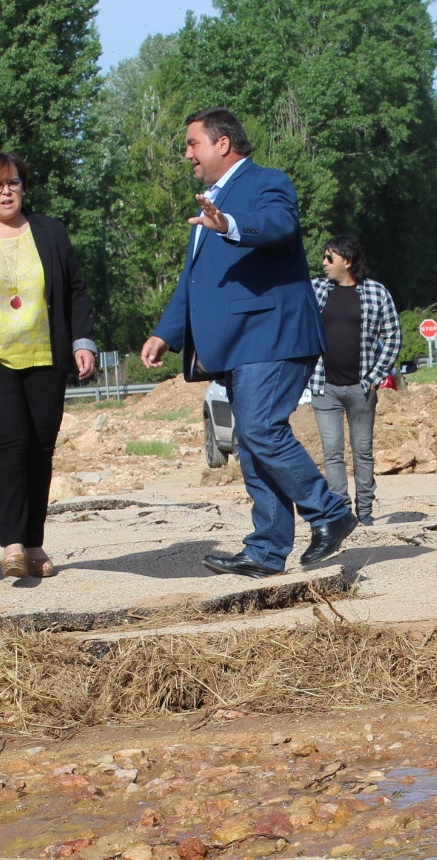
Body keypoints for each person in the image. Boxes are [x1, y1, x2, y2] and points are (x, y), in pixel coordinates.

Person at [139, 108, 356, 578]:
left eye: (193, 143)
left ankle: (330, 512)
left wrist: (231, 226)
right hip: (238, 343)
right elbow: (194, 282)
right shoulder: (210, 201)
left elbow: (279, 226)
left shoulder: (265, 182)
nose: (187, 153)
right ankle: (266, 549)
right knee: (250, 442)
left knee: (259, 430)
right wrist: (165, 333)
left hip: (271, 334)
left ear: (222, 144)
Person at [0, 152, 99, 579]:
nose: (6, 193)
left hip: (46, 356)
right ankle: (11, 544)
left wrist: (82, 341)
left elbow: (76, 290)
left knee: (40, 448)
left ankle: (33, 542)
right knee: (9, 443)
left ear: (24, 188)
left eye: (14, 184)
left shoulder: (50, 232)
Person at [307, 235, 400, 526]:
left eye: (329, 258)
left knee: (362, 450)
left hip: (361, 388)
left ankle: (366, 511)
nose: (323, 263)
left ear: (347, 261)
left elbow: (394, 336)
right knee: (332, 453)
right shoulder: (316, 289)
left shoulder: (376, 292)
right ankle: (340, 512)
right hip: (325, 387)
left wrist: (375, 377)